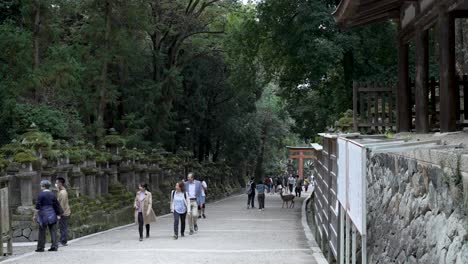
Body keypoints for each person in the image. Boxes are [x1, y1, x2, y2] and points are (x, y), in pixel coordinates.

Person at [33, 180, 63, 252]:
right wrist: (58, 214)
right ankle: (54, 246)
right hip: (52, 213)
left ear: (43, 186)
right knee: (53, 231)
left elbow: (38, 206)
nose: (40, 187)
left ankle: (41, 247)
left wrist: (34, 215)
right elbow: (56, 205)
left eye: (41, 185)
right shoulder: (52, 194)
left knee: (42, 231)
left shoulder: (40, 194)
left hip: (43, 214)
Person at [55, 177, 71, 247]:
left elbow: (62, 204)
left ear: (60, 183)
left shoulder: (63, 192)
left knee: (63, 227)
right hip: (64, 212)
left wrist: (59, 213)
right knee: (62, 227)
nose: (56, 184)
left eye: (57, 182)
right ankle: (63, 240)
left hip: (64, 212)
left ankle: (63, 241)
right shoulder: (61, 191)